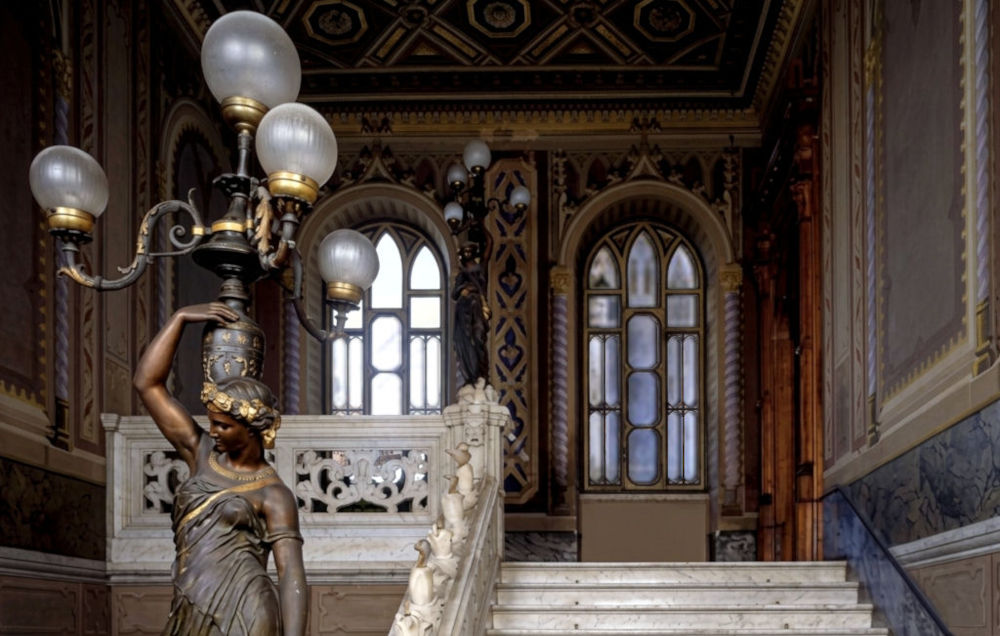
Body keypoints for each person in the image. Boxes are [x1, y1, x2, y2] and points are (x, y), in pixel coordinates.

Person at [133, 302, 306, 636]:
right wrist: (179, 318)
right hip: (191, 604)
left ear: (252, 428)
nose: (212, 432)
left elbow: (291, 576)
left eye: (223, 426)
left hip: (248, 610)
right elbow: (147, 384)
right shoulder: (200, 452)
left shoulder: (275, 495)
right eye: (212, 423)